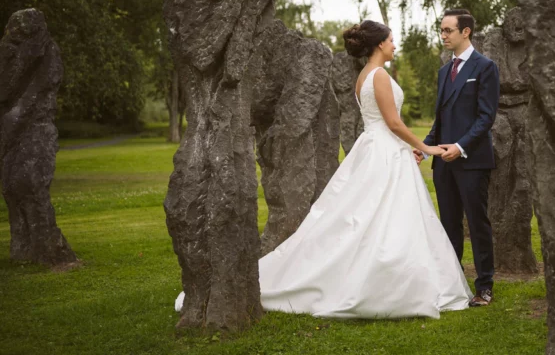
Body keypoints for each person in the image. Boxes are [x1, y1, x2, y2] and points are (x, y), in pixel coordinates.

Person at [176, 20, 472, 319]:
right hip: (383, 150)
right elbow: (393, 122)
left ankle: (387, 273)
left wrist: (408, 148)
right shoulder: (378, 75)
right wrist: (426, 147)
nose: (395, 45)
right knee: (384, 213)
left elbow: (386, 123)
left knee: (377, 213)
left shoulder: (364, 75)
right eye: (392, 40)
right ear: (380, 43)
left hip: (380, 146)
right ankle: (385, 281)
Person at [415, 9, 500, 307]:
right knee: (449, 225)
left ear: (466, 32)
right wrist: (424, 146)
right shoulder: (444, 72)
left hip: (472, 160)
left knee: (477, 224)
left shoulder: (485, 67)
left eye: (448, 30)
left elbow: (486, 117)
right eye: (441, 30)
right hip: (443, 163)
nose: (443, 35)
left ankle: (485, 286)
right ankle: (453, 284)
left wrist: (460, 146)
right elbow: (440, 120)